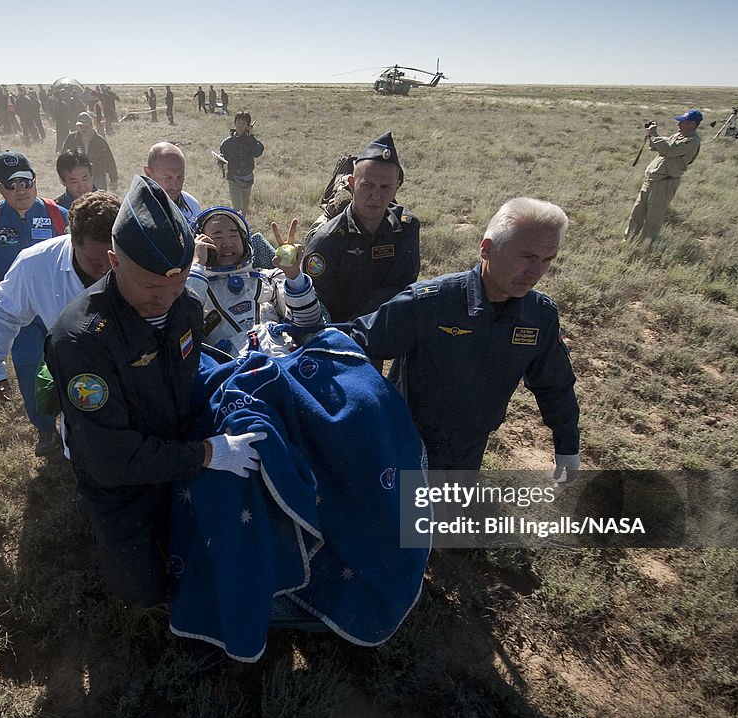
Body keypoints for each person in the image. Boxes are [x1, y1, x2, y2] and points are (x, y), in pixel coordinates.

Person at [45, 174, 265, 606]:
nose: (165, 298)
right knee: (144, 595)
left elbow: (187, 376)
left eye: (179, 281)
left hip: (175, 455)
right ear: (114, 262)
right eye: (150, 286)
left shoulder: (185, 308)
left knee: (201, 559)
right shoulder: (81, 339)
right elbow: (111, 458)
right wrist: (206, 454)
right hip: (122, 485)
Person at [351, 197, 581, 480]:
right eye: (527, 257)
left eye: (547, 260)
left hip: (469, 449)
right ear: (487, 249)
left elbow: (554, 384)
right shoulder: (431, 302)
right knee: (404, 521)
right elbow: (359, 342)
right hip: (409, 443)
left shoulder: (538, 316)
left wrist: (567, 445)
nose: (535, 273)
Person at [0, 151, 69, 455]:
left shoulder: (56, 214)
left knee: (70, 361)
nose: (21, 190)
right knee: (29, 367)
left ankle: (78, 419)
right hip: (19, 312)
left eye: (27, 181)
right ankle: (46, 428)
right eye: (12, 185)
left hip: (57, 305)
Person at [0, 191, 118, 411]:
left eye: (114, 256)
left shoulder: (138, 256)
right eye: (95, 260)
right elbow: (2, 312)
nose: (106, 268)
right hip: (76, 381)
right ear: (73, 240)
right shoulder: (36, 264)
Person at [301, 131, 419, 322]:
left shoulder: (405, 228)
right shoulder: (327, 239)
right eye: (367, 185)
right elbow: (316, 302)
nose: (376, 196)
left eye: (385, 188)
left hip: (388, 323)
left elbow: (402, 285)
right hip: (341, 331)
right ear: (352, 184)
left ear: (397, 187)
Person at [187, 207, 322, 357]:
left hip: (284, 363)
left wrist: (294, 276)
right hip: (231, 372)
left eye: (233, 235)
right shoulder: (195, 287)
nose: (227, 243)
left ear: (244, 240)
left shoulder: (269, 277)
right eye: (216, 237)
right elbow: (182, 327)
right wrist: (196, 265)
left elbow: (308, 321)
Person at [624, 108, 702, 245]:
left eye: (683, 122)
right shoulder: (677, 136)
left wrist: (654, 133)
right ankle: (628, 240)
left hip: (665, 183)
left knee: (654, 217)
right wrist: (651, 134)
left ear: (693, 124)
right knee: (637, 212)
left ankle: (645, 246)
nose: (679, 125)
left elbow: (667, 150)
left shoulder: (692, 141)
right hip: (651, 180)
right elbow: (656, 147)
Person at [143, 142, 202, 226]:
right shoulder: (138, 211)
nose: (175, 185)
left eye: (179, 177)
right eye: (167, 177)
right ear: (148, 173)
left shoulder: (192, 204)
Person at [219, 111, 264, 218]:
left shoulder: (251, 141)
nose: (240, 125)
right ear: (235, 123)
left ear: (247, 126)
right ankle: (237, 226)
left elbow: (258, 152)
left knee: (244, 208)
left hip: (247, 179)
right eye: (238, 122)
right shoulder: (228, 142)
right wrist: (220, 159)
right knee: (237, 207)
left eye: (243, 123)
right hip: (233, 178)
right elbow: (222, 154)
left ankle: (243, 226)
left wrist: (251, 137)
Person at [63, 112, 118, 191]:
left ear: (91, 126)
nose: (83, 129)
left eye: (86, 126)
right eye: (80, 126)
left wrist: (114, 179)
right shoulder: (71, 139)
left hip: (98, 177)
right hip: (77, 179)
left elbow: (109, 160)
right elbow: (63, 158)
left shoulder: (99, 141)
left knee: (99, 201)